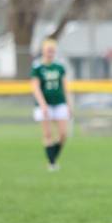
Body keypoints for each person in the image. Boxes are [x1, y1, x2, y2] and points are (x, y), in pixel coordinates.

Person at [30, 38, 73, 171]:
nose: (50, 53)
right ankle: (52, 163)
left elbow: (65, 87)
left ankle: (52, 156)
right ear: (43, 51)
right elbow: (36, 87)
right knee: (48, 134)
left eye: (52, 51)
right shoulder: (37, 67)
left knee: (63, 134)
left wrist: (69, 104)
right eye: (48, 50)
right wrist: (42, 104)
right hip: (45, 104)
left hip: (59, 102)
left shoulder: (59, 67)